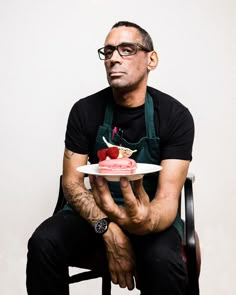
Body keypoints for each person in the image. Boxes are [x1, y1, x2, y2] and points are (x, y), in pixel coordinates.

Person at [26, 21, 194, 295]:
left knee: (162, 261)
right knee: (44, 242)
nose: (114, 58)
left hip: (149, 213)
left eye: (127, 49)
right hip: (94, 212)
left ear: (151, 59)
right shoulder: (85, 110)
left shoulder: (175, 116)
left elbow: (167, 198)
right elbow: (72, 183)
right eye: (108, 51)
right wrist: (109, 229)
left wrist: (143, 221)